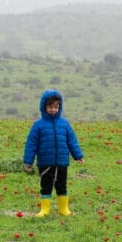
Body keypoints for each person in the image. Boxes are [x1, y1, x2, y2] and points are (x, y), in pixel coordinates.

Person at [23, 89, 84, 217]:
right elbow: (31, 144)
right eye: (50, 106)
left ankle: (64, 209)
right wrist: (28, 161)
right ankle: (44, 210)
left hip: (62, 162)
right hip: (45, 162)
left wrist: (77, 155)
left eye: (56, 107)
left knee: (62, 186)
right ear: (43, 106)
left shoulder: (65, 124)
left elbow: (71, 140)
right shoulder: (38, 125)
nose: (53, 109)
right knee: (46, 186)